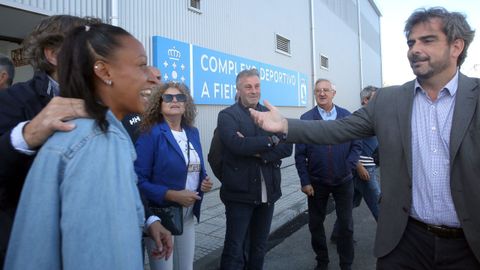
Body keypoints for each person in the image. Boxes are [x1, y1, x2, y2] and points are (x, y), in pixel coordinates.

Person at [250, 7, 480, 269]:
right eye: (411, 42)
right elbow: (337, 129)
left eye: (427, 40)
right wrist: (284, 125)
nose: (414, 49)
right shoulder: (389, 99)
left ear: (456, 47)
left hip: (468, 246)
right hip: (405, 242)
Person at [0, 15, 171, 266]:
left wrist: (148, 219)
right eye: (141, 65)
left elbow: (117, 185)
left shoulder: (104, 118)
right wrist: (27, 135)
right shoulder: (95, 134)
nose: (154, 77)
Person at [218, 68, 292, 270]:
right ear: (238, 89)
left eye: (257, 86)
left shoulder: (270, 114)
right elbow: (236, 145)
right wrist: (271, 140)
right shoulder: (227, 116)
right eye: (248, 86)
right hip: (239, 195)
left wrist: (256, 149)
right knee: (234, 249)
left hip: (268, 194)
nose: (253, 90)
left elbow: (288, 147)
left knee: (259, 248)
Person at [134, 81, 213, 270]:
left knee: (186, 267)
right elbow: (137, 181)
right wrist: (172, 194)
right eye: (168, 97)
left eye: (180, 97)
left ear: (186, 105)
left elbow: (195, 167)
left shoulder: (192, 132)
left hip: (187, 214)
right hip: (163, 214)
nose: (174, 100)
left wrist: (204, 182)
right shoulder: (150, 134)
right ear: (159, 104)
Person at [295, 79, 361, 270]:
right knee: (315, 224)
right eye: (318, 91)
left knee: (346, 225)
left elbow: (356, 145)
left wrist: (348, 166)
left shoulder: (346, 116)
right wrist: (305, 181)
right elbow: (299, 154)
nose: (322, 93)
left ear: (333, 93)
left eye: (326, 90)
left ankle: (346, 264)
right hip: (316, 183)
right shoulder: (306, 118)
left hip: (344, 181)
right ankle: (322, 261)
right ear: (314, 94)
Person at [331, 86, 380, 243]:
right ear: (365, 100)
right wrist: (359, 166)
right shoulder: (359, 119)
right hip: (363, 171)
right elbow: (347, 144)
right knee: (380, 206)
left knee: (349, 205)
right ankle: (392, 241)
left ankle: (337, 235)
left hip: (367, 169)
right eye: (375, 98)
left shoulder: (374, 117)